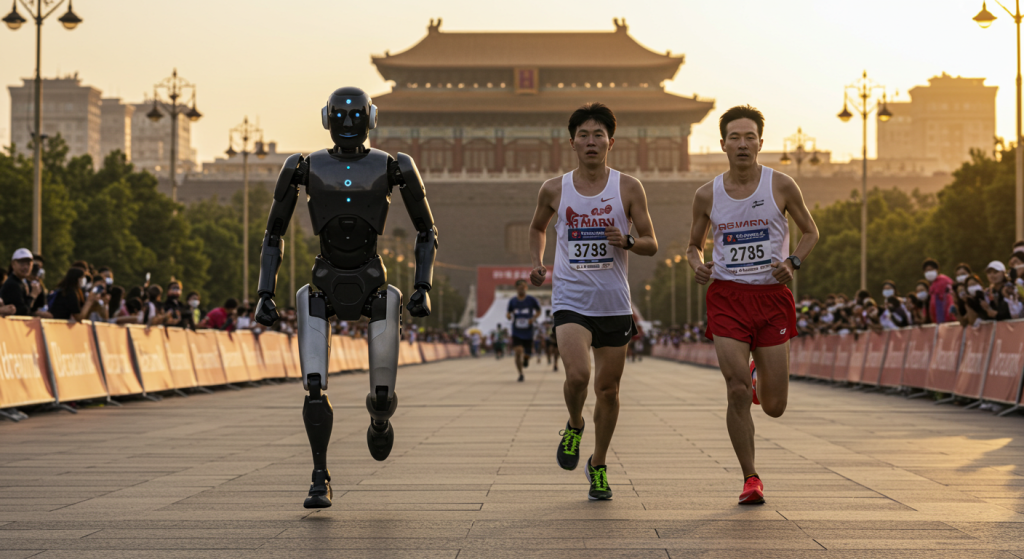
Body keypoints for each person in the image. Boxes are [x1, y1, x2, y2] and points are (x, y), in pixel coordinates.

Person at [687, 105, 819, 505]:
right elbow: (693, 244)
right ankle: (751, 478)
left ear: (761, 143)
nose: (742, 144)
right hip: (727, 296)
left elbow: (810, 231)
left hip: (771, 298)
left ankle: (759, 377)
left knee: (774, 406)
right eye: (734, 138)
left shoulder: (781, 185)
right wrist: (697, 265)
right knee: (736, 390)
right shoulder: (707, 194)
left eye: (750, 138)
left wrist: (792, 262)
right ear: (722, 143)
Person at [528, 102, 659, 500]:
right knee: (578, 377)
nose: (590, 141)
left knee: (608, 390)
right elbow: (537, 227)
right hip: (571, 297)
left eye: (598, 134)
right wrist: (537, 262)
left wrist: (629, 241)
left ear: (610, 142)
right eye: (583, 135)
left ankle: (598, 463)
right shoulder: (555, 188)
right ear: (572, 143)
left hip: (614, 302)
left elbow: (652, 243)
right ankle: (574, 424)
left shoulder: (629, 187)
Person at [507, 279, 541, 382]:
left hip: (528, 331)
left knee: (527, 353)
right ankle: (521, 373)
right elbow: (508, 312)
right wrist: (508, 316)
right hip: (516, 331)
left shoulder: (531, 300)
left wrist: (533, 319)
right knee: (518, 352)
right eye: (519, 287)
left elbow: (539, 311)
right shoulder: (513, 301)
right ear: (516, 288)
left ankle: (526, 358)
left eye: (523, 287)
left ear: (526, 288)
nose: (521, 289)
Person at [1, 249, 46, 317]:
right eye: (21, 263)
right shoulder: (12, 284)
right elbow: (23, 312)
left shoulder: (25, 283)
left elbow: (37, 306)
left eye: (28, 264)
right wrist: (33, 295)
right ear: (13, 264)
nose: (25, 267)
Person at [922, 259, 955, 323]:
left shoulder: (944, 281)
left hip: (946, 320)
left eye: (930, 269)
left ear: (937, 270)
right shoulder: (932, 286)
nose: (929, 272)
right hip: (937, 321)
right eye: (926, 270)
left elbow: (948, 300)